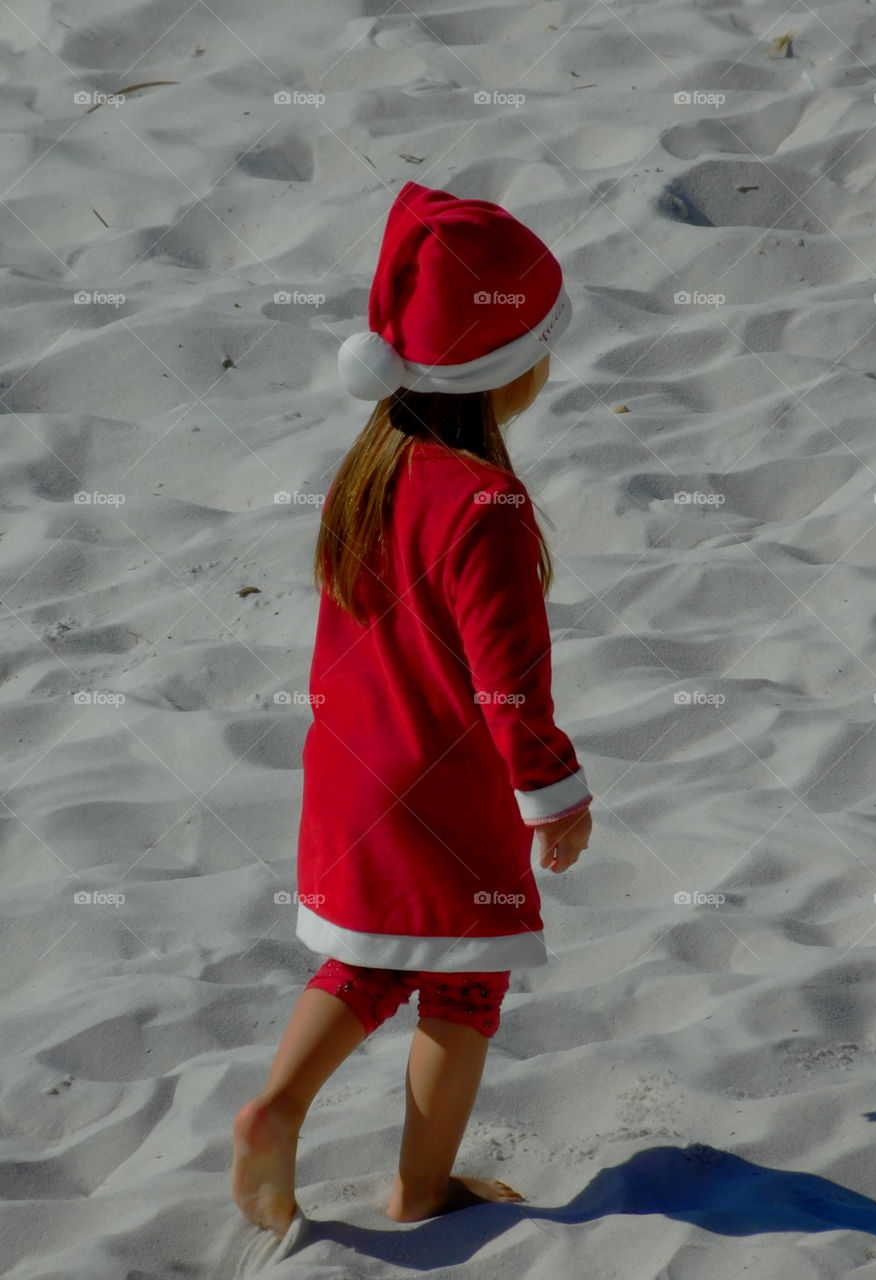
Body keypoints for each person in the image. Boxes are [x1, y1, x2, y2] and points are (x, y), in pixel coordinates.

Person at [231, 180, 594, 1236]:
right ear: (499, 366)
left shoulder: (374, 466)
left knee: (371, 956)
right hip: (446, 786)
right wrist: (550, 791)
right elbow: (508, 675)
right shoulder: (485, 501)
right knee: (468, 984)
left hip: (353, 770)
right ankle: (422, 1191)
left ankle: (277, 1103)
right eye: (538, 344)